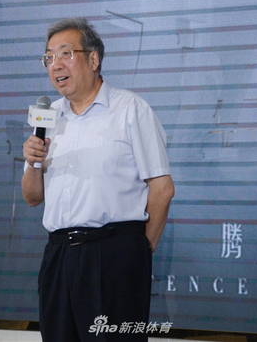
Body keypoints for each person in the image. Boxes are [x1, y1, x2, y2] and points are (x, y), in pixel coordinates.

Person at [21, 18, 174, 342]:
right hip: (58, 256)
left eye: (65, 54)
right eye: (48, 57)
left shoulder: (130, 109)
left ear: (93, 59)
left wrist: (138, 251)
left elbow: (162, 188)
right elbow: (32, 198)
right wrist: (33, 163)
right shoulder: (47, 117)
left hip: (114, 256)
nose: (55, 65)